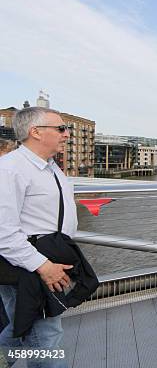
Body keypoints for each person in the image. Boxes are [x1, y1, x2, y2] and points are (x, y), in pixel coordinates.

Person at [0, 107, 78, 368]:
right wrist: (44, 267)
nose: (67, 134)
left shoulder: (51, 169)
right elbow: (3, 231)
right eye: (61, 129)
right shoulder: (10, 170)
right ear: (35, 132)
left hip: (46, 262)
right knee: (46, 338)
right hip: (27, 267)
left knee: (20, 329)